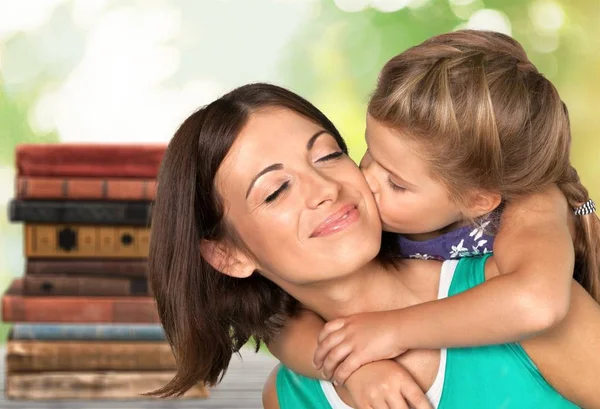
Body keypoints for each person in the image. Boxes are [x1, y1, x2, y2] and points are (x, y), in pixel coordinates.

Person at [146, 82, 600, 409]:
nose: (324, 187)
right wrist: (350, 365)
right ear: (228, 254)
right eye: (275, 190)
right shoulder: (289, 396)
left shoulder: (514, 291)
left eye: (327, 155)